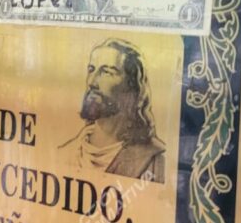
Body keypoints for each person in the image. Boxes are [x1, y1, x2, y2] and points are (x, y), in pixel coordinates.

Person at [59, 38, 165, 183]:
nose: (91, 82)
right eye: (91, 70)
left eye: (106, 72)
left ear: (132, 87)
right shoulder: (65, 154)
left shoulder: (152, 161)